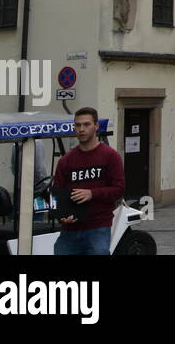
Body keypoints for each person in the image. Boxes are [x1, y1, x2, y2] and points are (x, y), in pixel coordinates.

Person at [52, 107, 124, 255]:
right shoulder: (66, 160)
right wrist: (62, 216)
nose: (81, 129)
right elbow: (57, 194)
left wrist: (92, 193)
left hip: (98, 226)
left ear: (96, 126)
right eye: (78, 125)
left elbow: (119, 189)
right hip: (70, 229)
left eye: (86, 124)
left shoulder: (110, 156)